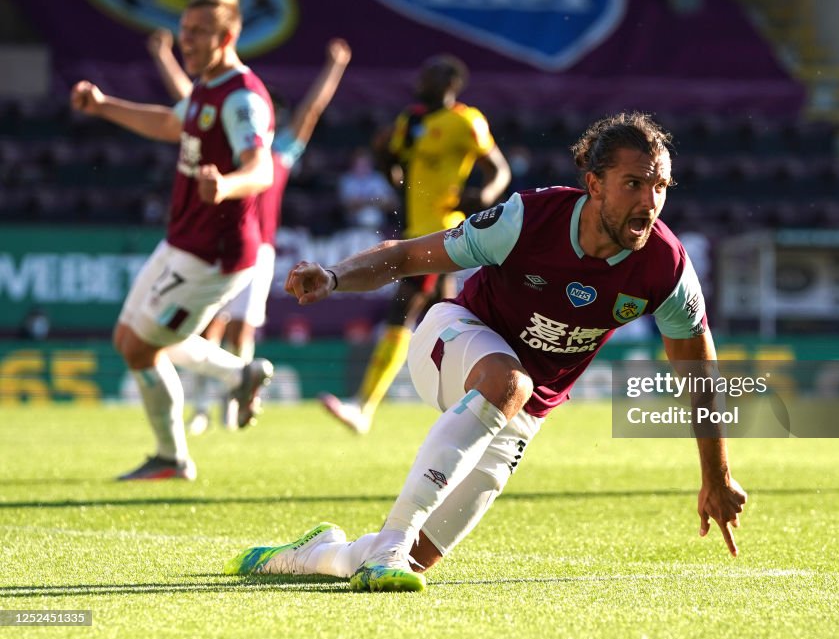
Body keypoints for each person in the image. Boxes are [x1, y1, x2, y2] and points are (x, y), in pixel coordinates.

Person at [225, 113, 747, 592]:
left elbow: (698, 370)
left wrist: (716, 476)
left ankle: (317, 555)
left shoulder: (666, 266)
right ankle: (390, 542)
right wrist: (336, 276)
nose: (649, 202)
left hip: (524, 410)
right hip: (453, 340)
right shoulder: (527, 219)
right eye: (634, 184)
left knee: (418, 560)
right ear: (594, 185)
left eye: (659, 186)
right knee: (509, 383)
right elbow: (409, 255)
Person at [70, 0, 276, 480]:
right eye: (184, 30)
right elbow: (171, 123)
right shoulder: (207, 86)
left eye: (199, 32)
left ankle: (173, 458)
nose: (186, 39)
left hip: (216, 256)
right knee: (128, 338)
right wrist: (103, 106)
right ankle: (237, 373)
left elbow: (262, 168)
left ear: (227, 36)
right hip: (183, 241)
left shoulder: (242, 97)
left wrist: (225, 185)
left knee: (144, 348)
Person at [148, 30, 354, 432]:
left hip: (258, 251)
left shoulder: (280, 153)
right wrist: (164, 57)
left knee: (242, 327)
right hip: (217, 242)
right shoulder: (228, 146)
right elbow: (189, 107)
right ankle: (204, 404)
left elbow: (311, 110)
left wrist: (335, 67)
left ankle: (232, 401)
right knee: (209, 325)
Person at [320, 54, 511, 434]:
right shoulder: (410, 121)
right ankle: (482, 402)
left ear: (450, 83)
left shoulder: (466, 121)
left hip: (442, 232)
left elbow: (499, 169)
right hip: (414, 230)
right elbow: (396, 173)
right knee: (447, 318)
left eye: (431, 76)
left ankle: (364, 406)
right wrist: (381, 155)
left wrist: (485, 195)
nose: (421, 80)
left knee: (402, 311)